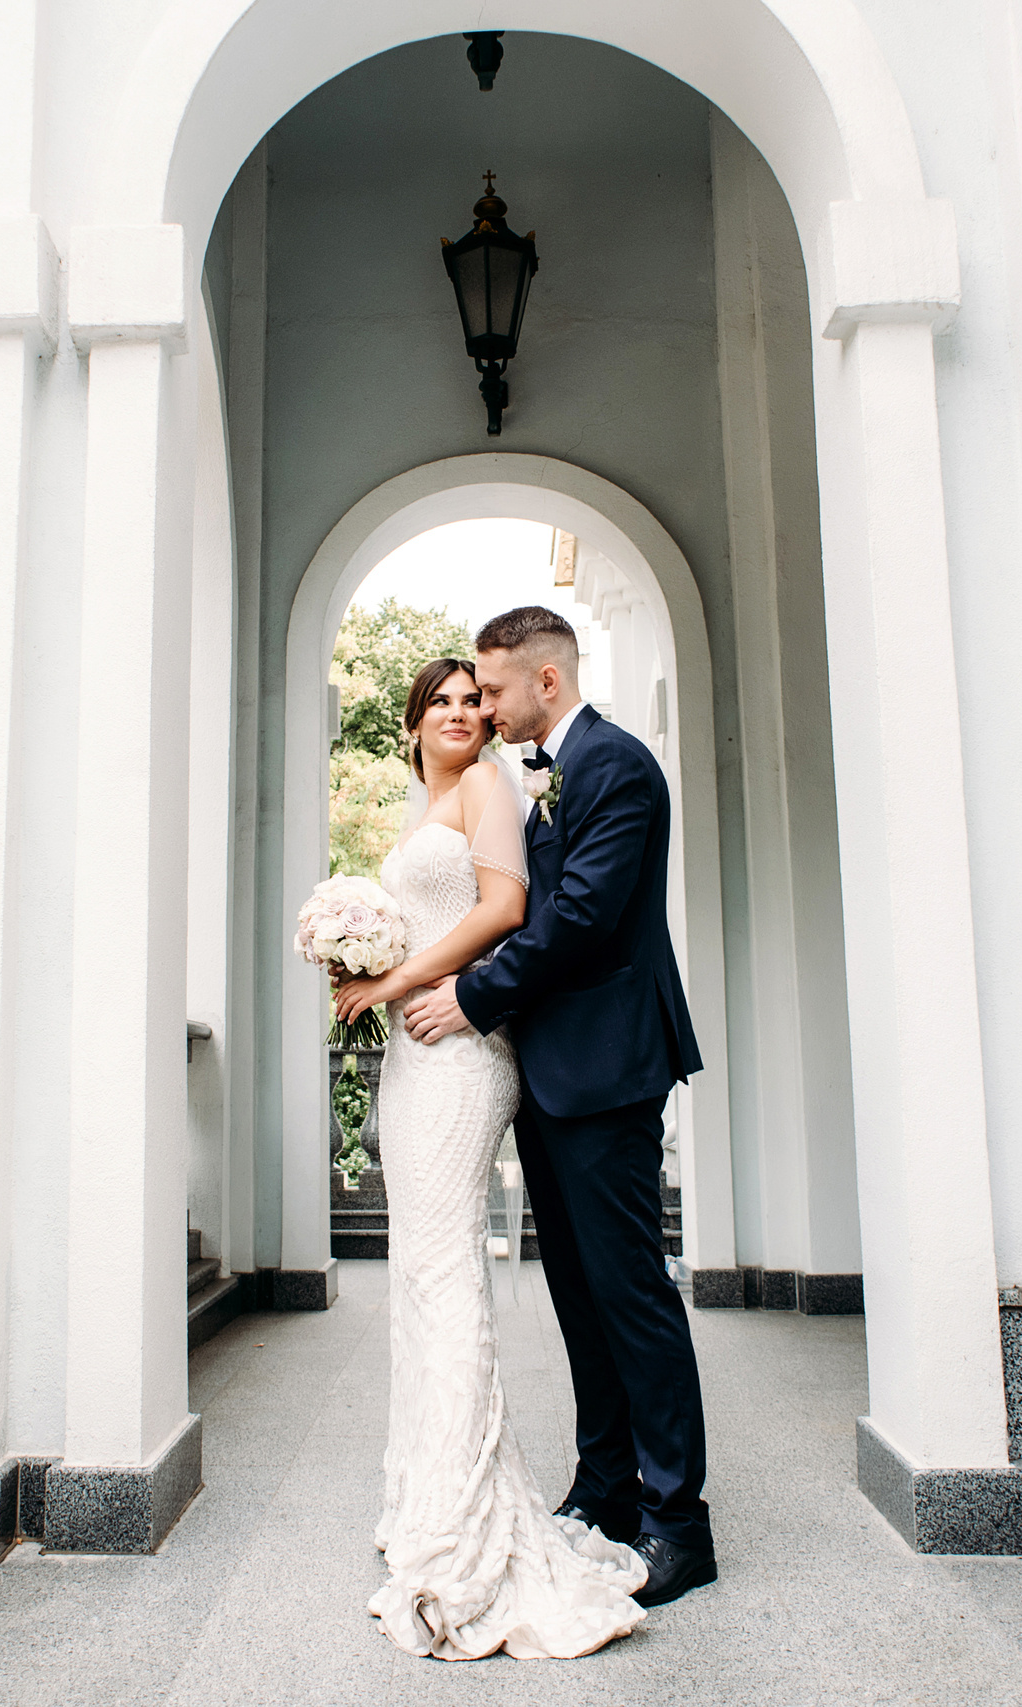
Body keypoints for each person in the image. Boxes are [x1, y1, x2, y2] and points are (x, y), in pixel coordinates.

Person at [330, 655, 650, 1660]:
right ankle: (429, 1496)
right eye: (443, 701)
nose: (464, 711)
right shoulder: (426, 806)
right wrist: (356, 956)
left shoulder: (486, 785)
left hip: (464, 1051)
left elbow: (504, 910)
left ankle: (468, 1521)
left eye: (476, 698)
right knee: (420, 1273)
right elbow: (432, 915)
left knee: (444, 1271)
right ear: (412, 722)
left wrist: (393, 984)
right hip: (415, 1053)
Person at [399, 606, 716, 1610]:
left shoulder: (617, 766)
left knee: (630, 1290)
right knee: (579, 1292)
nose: (485, 708)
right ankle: (606, 1487)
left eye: (492, 689)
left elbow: (579, 915)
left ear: (546, 680)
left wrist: (471, 996)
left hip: (609, 1067)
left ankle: (678, 1521)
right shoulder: (544, 775)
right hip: (550, 1071)